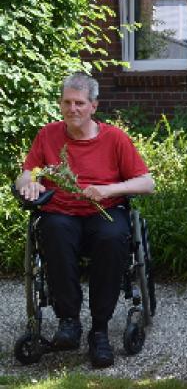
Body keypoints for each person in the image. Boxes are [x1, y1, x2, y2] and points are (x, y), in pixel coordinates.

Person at [15, 72, 155, 368]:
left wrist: (109, 190)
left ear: (94, 106)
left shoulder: (114, 138)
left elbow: (147, 183)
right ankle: (69, 321)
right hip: (61, 212)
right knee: (53, 230)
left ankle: (100, 330)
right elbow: (27, 172)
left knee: (113, 236)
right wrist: (28, 184)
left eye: (79, 103)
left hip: (104, 211)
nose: (72, 109)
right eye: (67, 102)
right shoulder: (48, 135)